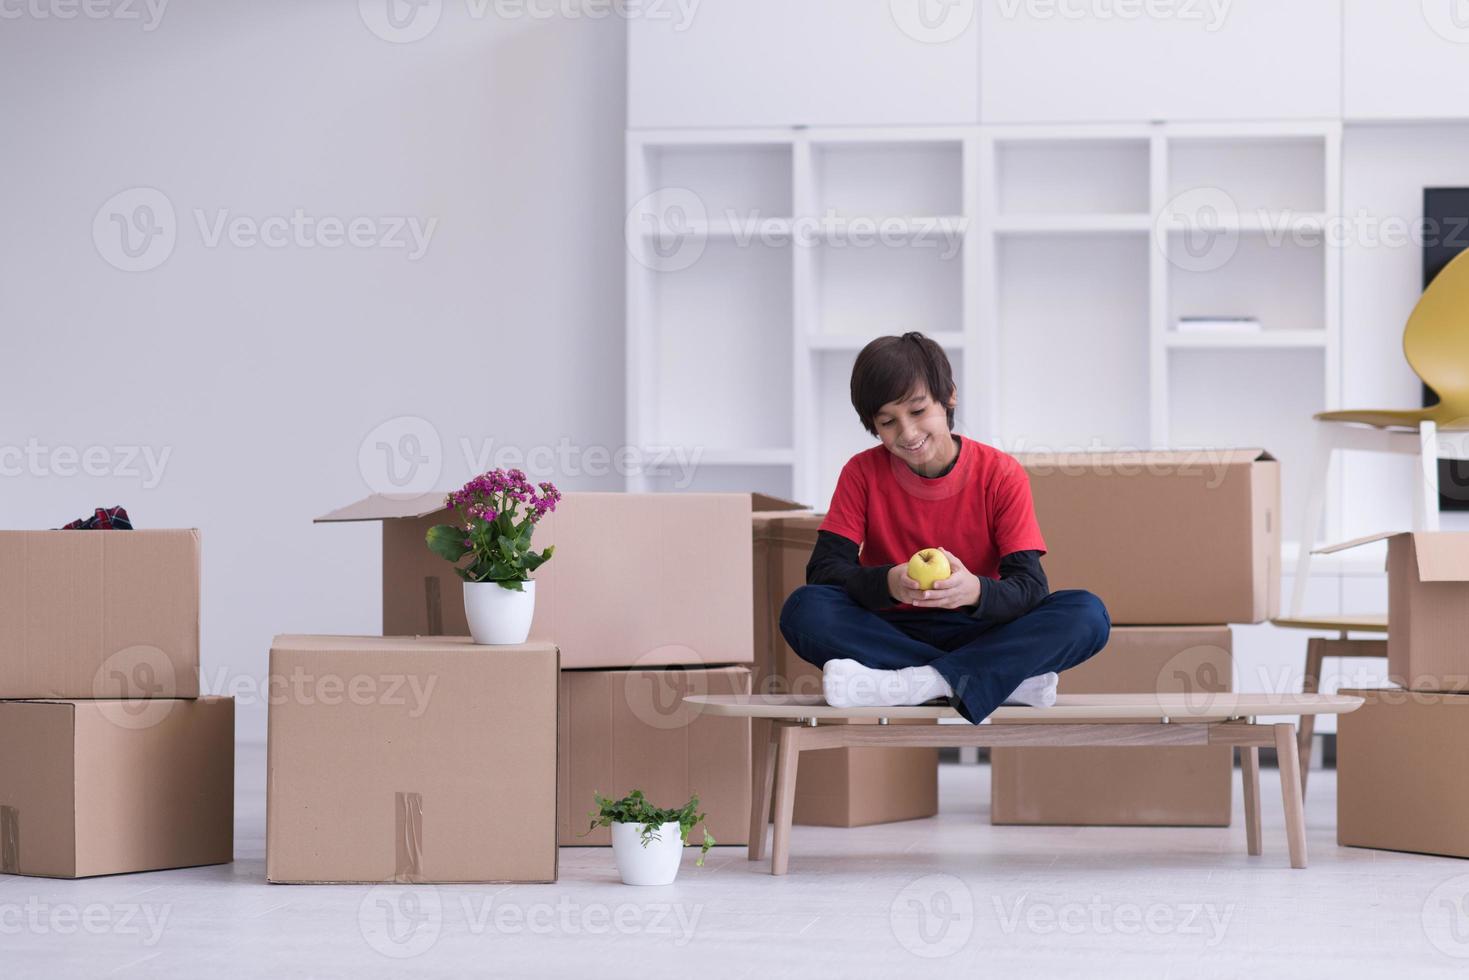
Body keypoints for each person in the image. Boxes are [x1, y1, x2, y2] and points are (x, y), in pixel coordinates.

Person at [778, 331, 1111, 724]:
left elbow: (1030, 590)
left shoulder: (1000, 474)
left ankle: (914, 682)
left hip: (980, 629)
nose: (908, 433)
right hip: (891, 628)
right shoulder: (861, 473)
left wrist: (974, 591)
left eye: (918, 412)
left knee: (1088, 614)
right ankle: (994, 679)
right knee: (803, 609)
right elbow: (823, 575)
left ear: (948, 396)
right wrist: (889, 582)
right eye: (888, 421)